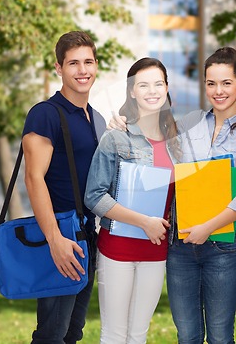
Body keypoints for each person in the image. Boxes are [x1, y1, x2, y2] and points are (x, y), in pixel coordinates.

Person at [167, 47, 236, 344]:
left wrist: (206, 228)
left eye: (225, 83)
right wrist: (122, 122)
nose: (218, 91)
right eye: (211, 83)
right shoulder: (189, 125)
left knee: (220, 336)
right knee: (187, 336)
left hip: (223, 248)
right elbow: (157, 149)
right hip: (181, 246)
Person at [84, 58, 180, 343]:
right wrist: (144, 222)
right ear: (132, 91)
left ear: (166, 88)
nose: (152, 91)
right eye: (143, 84)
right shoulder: (116, 137)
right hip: (118, 250)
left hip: (157, 251)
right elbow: (94, 196)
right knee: (114, 334)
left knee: (139, 334)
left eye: (158, 83)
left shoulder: (178, 141)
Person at [22, 31, 106, 344]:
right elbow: (34, 178)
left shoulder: (94, 118)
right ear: (59, 68)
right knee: (51, 335)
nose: (82, 70)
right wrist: (54, 238)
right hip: (61, 238)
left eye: (88, 62)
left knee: (72, 333)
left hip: (87, 238)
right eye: (73, 63)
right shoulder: (45, 114)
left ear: (96, 65)